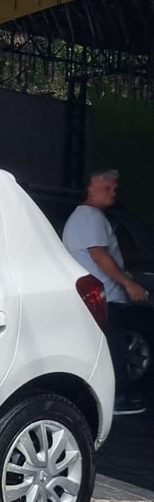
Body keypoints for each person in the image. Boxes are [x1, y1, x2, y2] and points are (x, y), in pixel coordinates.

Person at [63, 169, 150, 414]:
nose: (113, 192)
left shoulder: (83, 217)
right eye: (106, 187)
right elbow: (99, 256)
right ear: (90, 188)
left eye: (114, 188)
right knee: (111, 351)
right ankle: (113, 401)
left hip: (96, 297)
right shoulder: (90, 217)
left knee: (102, 350)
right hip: (104, 298)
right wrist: (128, 283)